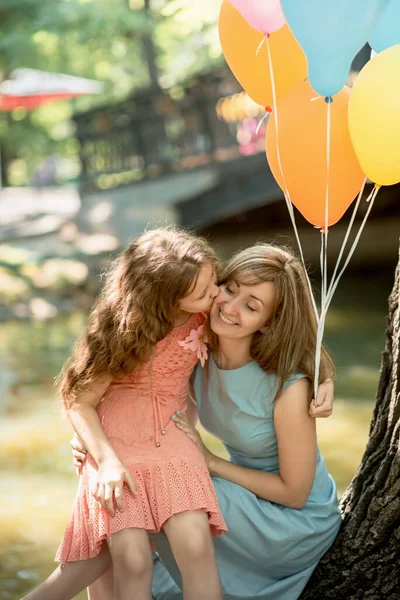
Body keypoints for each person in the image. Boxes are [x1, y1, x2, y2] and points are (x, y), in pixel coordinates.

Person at [24, 239, 337, 600]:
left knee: (152, 496)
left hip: (288, 518)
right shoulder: (202, 339)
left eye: (251, 306)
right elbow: (132, 383)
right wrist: (98, 443)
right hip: (240, 493)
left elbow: (294, 494)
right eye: (229, 288)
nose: (228, 306)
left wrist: (210, 462)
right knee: (139, 504)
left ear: (270, 323)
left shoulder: (290, 388)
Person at [22, 227, 228, 600]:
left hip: (172, 436)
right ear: (166, 300)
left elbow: (277, 339)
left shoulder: (209, 316)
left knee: (195, 545)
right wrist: (107, 462)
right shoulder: (119, 329)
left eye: (214, 280)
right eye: (203, 292)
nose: (216, 294)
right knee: (132, 560)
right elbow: (79, 401)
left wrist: (322, 376)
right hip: (114, 447)